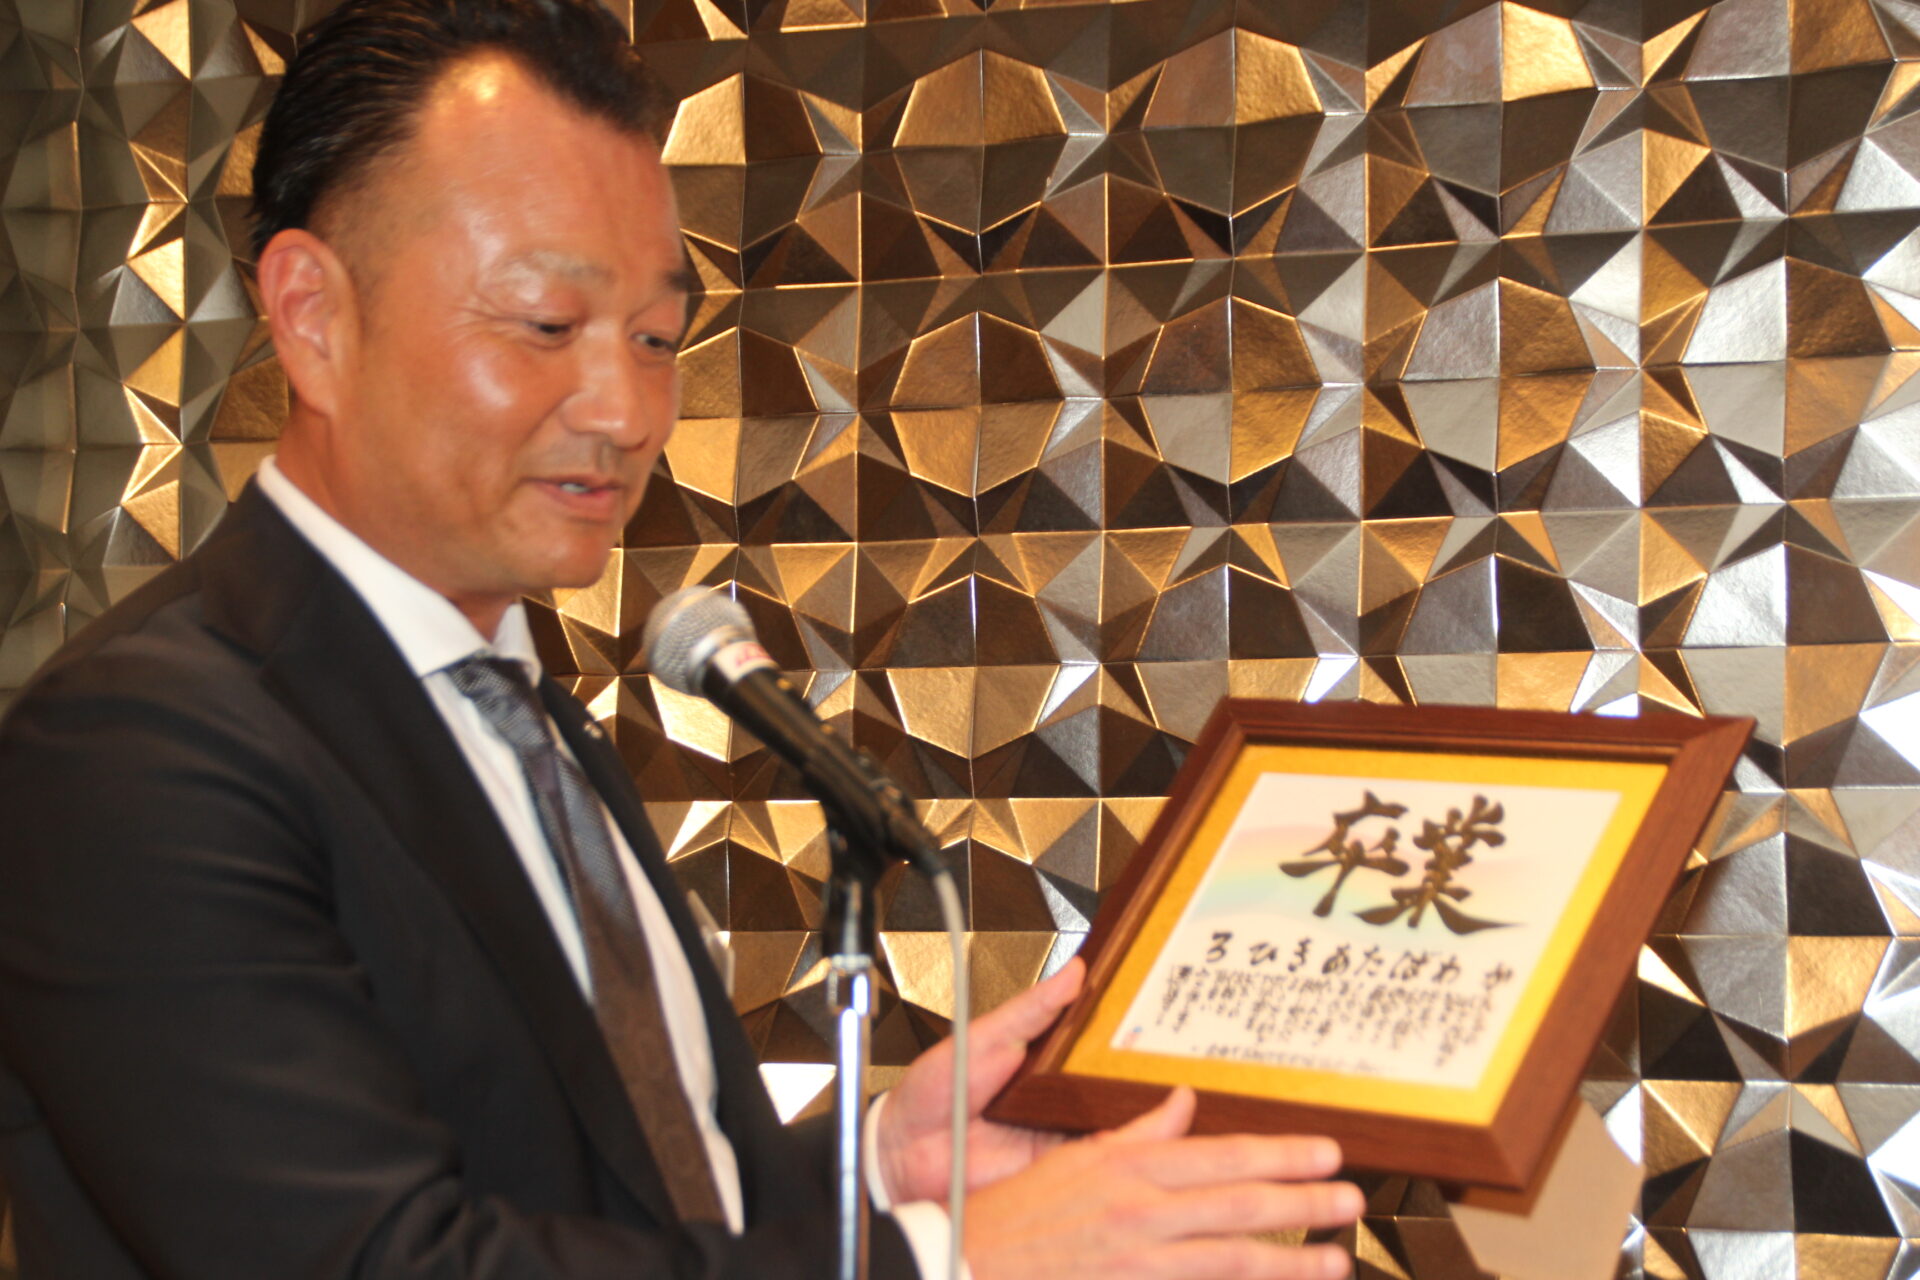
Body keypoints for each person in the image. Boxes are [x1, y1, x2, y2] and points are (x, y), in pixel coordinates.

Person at [0, 1, 1364, 1276]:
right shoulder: (135, 752)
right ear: (313, 316)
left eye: (656, 337)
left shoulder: (514, 710)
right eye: (547, 324)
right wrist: (945, 1258)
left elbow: (630, 1194)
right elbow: (380, 1258)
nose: (624, 410)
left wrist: (883, 1170)